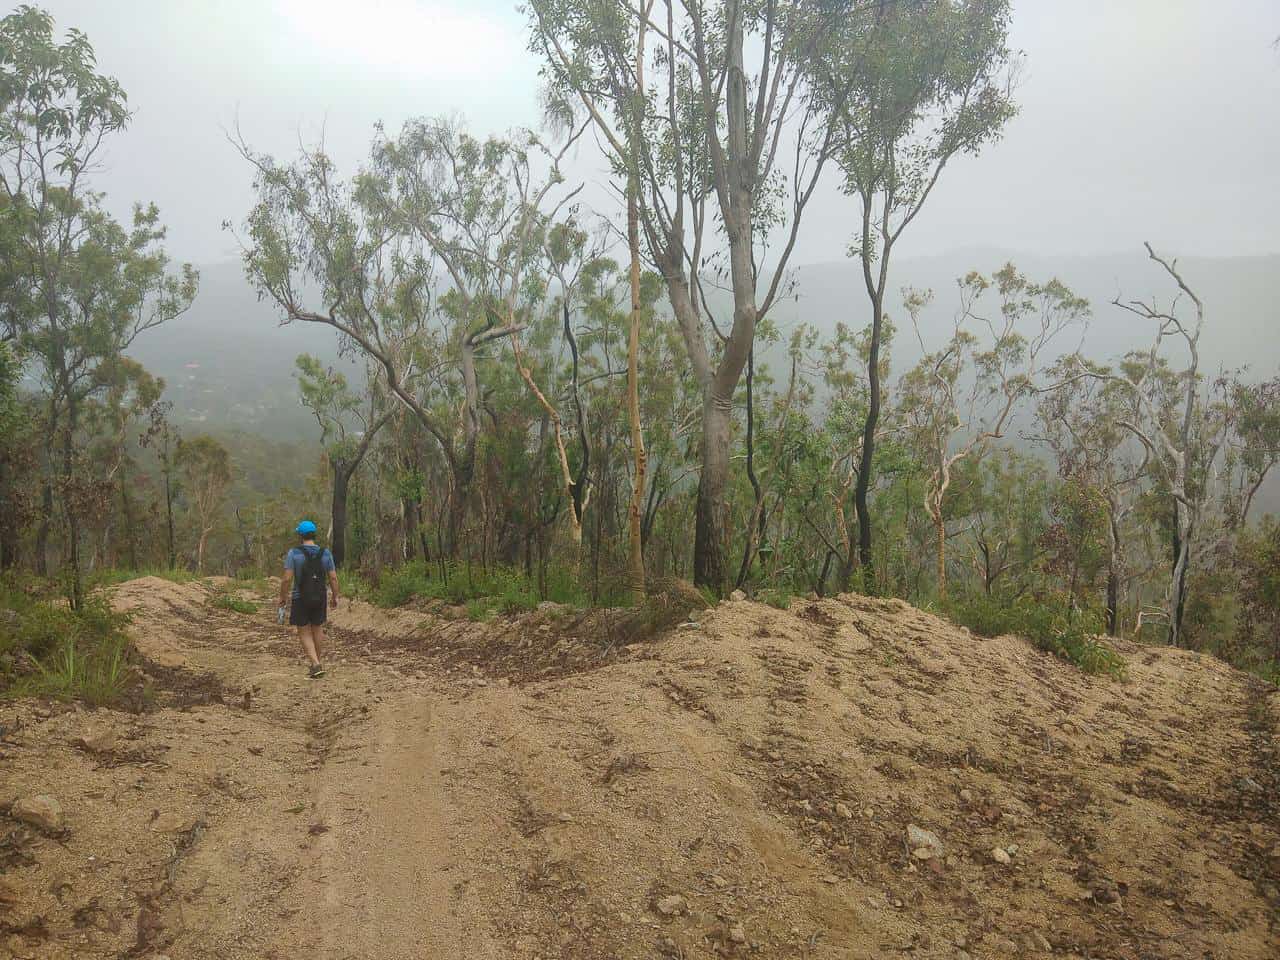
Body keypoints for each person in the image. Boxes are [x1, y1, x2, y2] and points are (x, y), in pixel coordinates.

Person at [277, 520, 340, 678]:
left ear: (300, 535)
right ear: (314, 534)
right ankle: (316, 663)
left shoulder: (294, 553)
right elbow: (333, 578)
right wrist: (335, 596)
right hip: (320, 597)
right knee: (317, 628)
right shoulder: (325, 553)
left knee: (304, 630)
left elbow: (287, 578)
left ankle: (316, 664)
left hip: (300, 598)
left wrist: (282, 597)